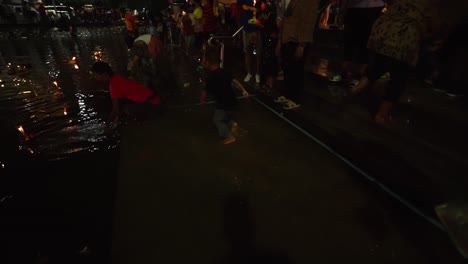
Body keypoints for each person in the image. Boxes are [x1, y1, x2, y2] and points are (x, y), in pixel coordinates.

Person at [351, 0, 431, 124]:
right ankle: (381, 115)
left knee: (377, 65)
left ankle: (357, 89)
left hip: (386, 28)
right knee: (399, 77)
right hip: (406, 34)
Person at [275, 0, 320, 109]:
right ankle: (288, 95)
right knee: (287, 69)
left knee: (296, 71)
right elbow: (285, 19)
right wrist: (280, 41)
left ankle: (295, 98)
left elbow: (309, 22)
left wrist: (302, 45)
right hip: (287, 39)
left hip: (297, 41)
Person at [329, 0, 385, 86]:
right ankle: (344, 72)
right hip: (353, 6)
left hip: (372, 6)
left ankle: (359, 76)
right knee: (348, 39)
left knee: (364, 41)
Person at [201, 47, 249, 145]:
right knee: (226, 116)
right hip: (232, 102)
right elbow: (235, 81)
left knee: (217, 120)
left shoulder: (210, 77)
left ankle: (229, 136)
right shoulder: (225, 72)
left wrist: (202, 100)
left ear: (209, 63)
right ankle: (233, 124)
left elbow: (204, 91)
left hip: (222, 104)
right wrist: (243, 89)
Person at [91, 61, 160, 124]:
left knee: (125, 110)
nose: (95, 77)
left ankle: (145, 119)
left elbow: (115, 110)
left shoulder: (114, 84)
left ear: (104, 74)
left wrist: (107, 124)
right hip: (155, 99)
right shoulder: (118, 78)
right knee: (123, 107)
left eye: (96, 75)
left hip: (152, 104)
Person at [238, 0, 263, 84]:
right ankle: (249, 72)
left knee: (258, 53)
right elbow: (240, 4)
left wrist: (249, 8)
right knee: (247, 51)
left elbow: (260, 9)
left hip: (256, 29)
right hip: (246, 28)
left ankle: (257, 73)